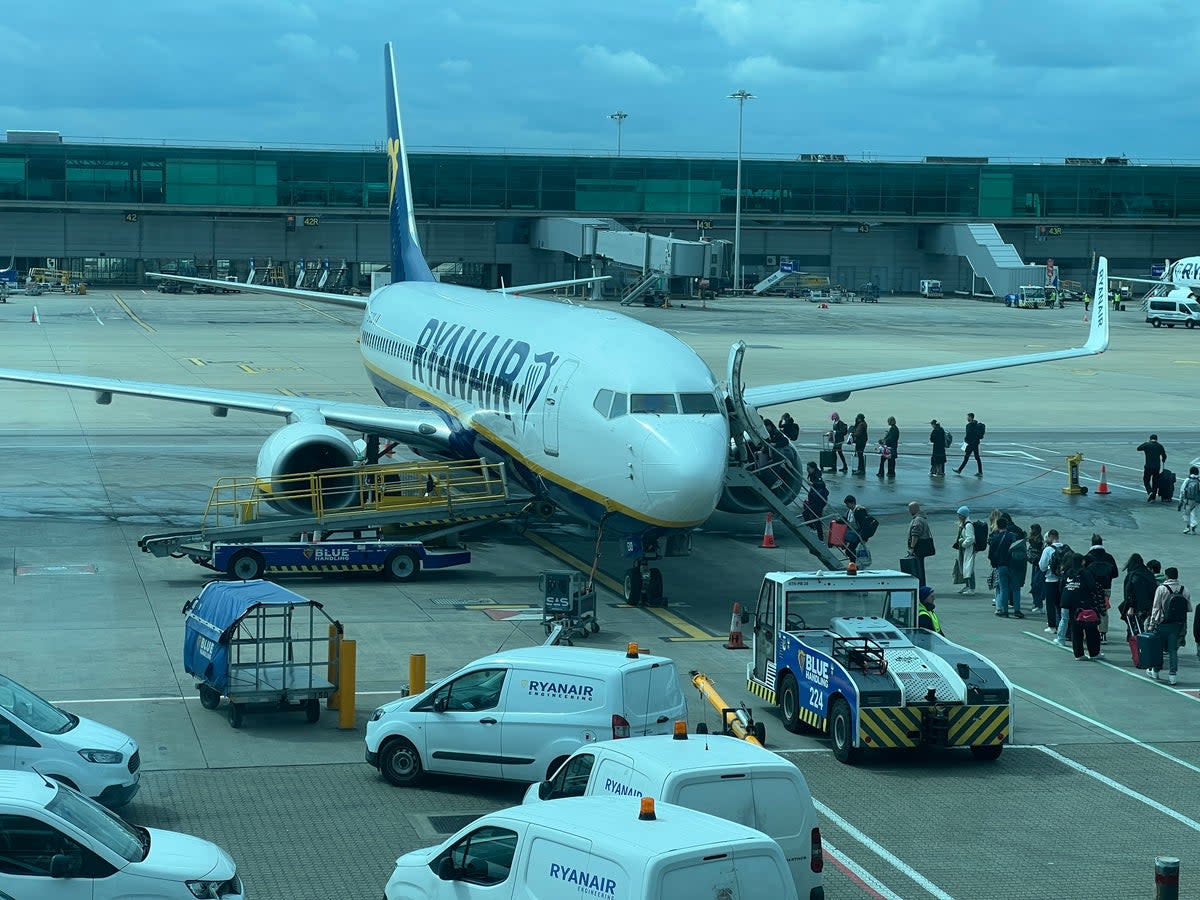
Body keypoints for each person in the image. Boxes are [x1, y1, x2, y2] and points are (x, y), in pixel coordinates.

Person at [1147, 567, 1192, 684]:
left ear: (1166, 576)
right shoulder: (1184, 589)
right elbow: (1188, 608)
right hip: (1177, 625)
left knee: (1158, 648)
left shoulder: (1161, 589)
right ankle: (1173, 675)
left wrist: (1152, 623)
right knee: (1173, 650)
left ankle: (1156, 671)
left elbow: (1156, 607)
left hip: (1162, 623)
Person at [1060, 551, 1104, 660]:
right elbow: (1092, 586)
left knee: (1076, 630)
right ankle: (1094, 653)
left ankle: (1079, 654)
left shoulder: (1068, 572)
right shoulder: (1085, 572)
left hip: (1070, 605)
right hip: (1085, 604)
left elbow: (1061, 587)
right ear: (1082, 561)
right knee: (1091, 628)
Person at [1084, 534, 1118, 643]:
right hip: (1106, 588)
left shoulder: (1088, 557)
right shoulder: (1109, 557)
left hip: (1092, 588)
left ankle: (1091, 632)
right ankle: (1103, 634)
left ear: (1092, 543)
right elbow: (1115, 573)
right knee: (1104, 610)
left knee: (1091, 609)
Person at [988, 515, 1023, 618]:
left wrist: (995, 564)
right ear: (1007, 525)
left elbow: (991, 554)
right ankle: (1017, 610)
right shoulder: (1013, 536)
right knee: (1016, 589)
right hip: (1013, 566)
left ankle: (1004, 610)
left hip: (1001, 566)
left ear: (998, 526)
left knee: (1004, 589)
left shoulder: (995, 538)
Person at [1039, 529, 1070, 639]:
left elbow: (1042, 566)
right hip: (1063, 580)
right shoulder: (1066, 548)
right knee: (1061, 604)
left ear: (1051, 537)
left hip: (1051, 580)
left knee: (1050, 604)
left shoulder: (1048, 550)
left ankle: (1052, 626)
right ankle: (1063, 626)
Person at [1119, 553, 1157, 638]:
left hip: (1135, 605)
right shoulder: (1149, 574)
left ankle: (1134, 644)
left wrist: (1130, 606)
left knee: (1133, 626)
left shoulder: (1132, 575)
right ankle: (1140, 642)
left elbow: (1129, 592)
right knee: (1139, 623)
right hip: (1147, 605)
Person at [906, 501, 934, 587]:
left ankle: (920, 586)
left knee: (918, 568)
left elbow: (915, 535)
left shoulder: (917, 520)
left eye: (910, 509)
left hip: (918, 548)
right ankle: (922, 585)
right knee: (920, 567)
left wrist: (912, 548)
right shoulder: (922, 519)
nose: (909, 511)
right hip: (923, 547)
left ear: (914, 509)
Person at [953, 506, 977, 594]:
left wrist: (963, 543)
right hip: (964, 549)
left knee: (969, 568)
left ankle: (972, 588)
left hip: (968, 549)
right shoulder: (963, 524)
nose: (958, 516)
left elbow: (970, 538)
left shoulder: (968, 525)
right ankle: (968, 586)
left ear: (964, 515)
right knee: (965, 567)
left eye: (959, 515)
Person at [842, 494, 874, 562]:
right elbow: (846, 519)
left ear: (853, 503)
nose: (847, 506)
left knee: (849, 551)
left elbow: (864, 525)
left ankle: (854, 563)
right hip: (854, 533)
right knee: (850, 550)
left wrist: (864, 538)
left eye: (848, 504)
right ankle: (854, 563)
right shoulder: (850, 511)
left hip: (858, 534)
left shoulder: (859, 511)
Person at [802, 461, 829, 541]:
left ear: (813, 468)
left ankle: (814, 530)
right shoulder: (813, 474)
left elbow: (821, 484)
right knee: (815, 518)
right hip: (815, 499)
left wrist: (812, 484)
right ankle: (818, 535)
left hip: (818, 500)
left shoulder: (817, 475)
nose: (807, 470)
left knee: (808, 514)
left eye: (808, 468)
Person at [1136, 433, 1168, 501]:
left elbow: (1138, 448)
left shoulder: (1147, 445)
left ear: (1150, 439)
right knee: (1155, 481)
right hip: (1157, 467)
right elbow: (1164, 456)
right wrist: (1163, 459)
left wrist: (1146, 443)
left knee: (1146, 480)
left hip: (1148, 466)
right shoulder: (1160, 446)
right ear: (1157, 439)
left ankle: (1150, 492)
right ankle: (1153, 497)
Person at [954, 412, 986, 476]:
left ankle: (959, 470)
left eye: (968, 417)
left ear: (970, 417)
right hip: (976, 443)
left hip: (970, 444)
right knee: (977, 457)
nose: (967, 418)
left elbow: (968, 435)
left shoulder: (969, 425)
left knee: (966, 457)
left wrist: (966, 442)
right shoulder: (977, 425)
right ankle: (980, 472)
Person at [1027, 524, 1046, 613]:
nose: (1029, 531)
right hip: (1036, 565)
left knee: (1036, 584)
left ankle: (1038, 604)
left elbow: (1035, 554)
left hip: (1037, 565)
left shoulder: (1037, 542)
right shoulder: (1036, 540)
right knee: (1035, 584)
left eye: (1030, 529)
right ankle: (1037, 603)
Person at [1181, 465, 1200, 533]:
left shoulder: (1188, 480)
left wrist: (1181, 499)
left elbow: (1182, 490)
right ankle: (1193, 525)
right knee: (1194, 513)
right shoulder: (1198, 480)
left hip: (1188, 499)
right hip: (1196, 500)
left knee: (1187, 513)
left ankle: (1187, 527)